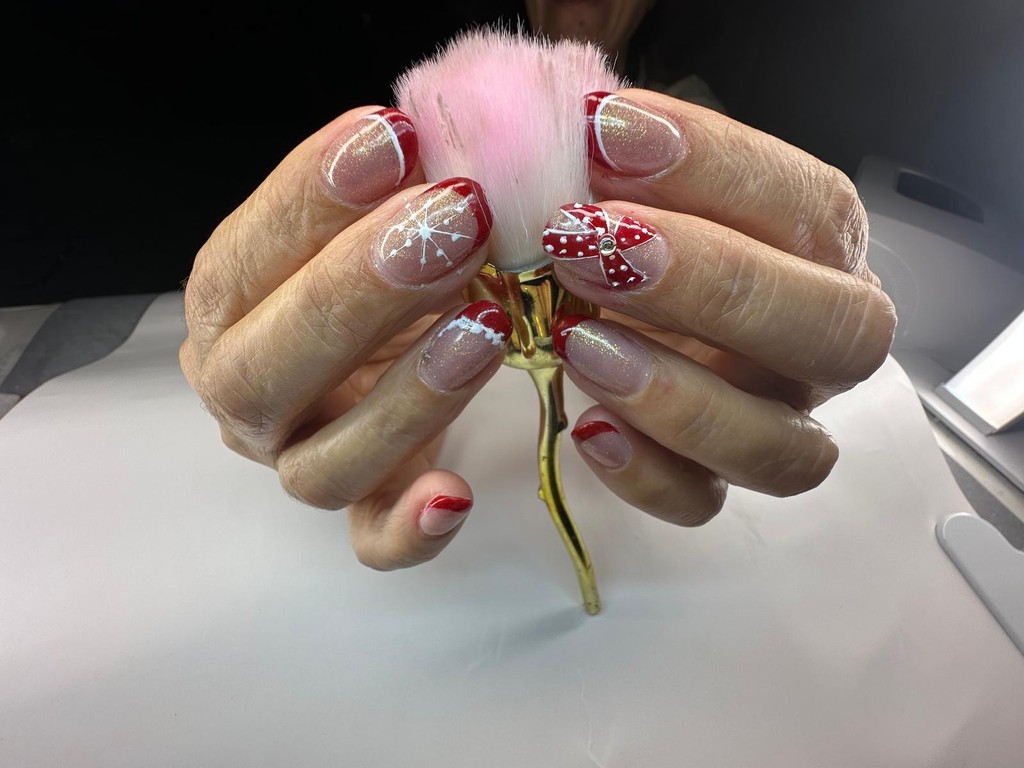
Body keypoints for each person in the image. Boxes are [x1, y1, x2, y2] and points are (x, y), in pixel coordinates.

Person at [178, 0, 896, 571]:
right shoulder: (429, 115)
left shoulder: (706, 106)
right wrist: (295, 340)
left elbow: (800, 271)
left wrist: (783, 298)